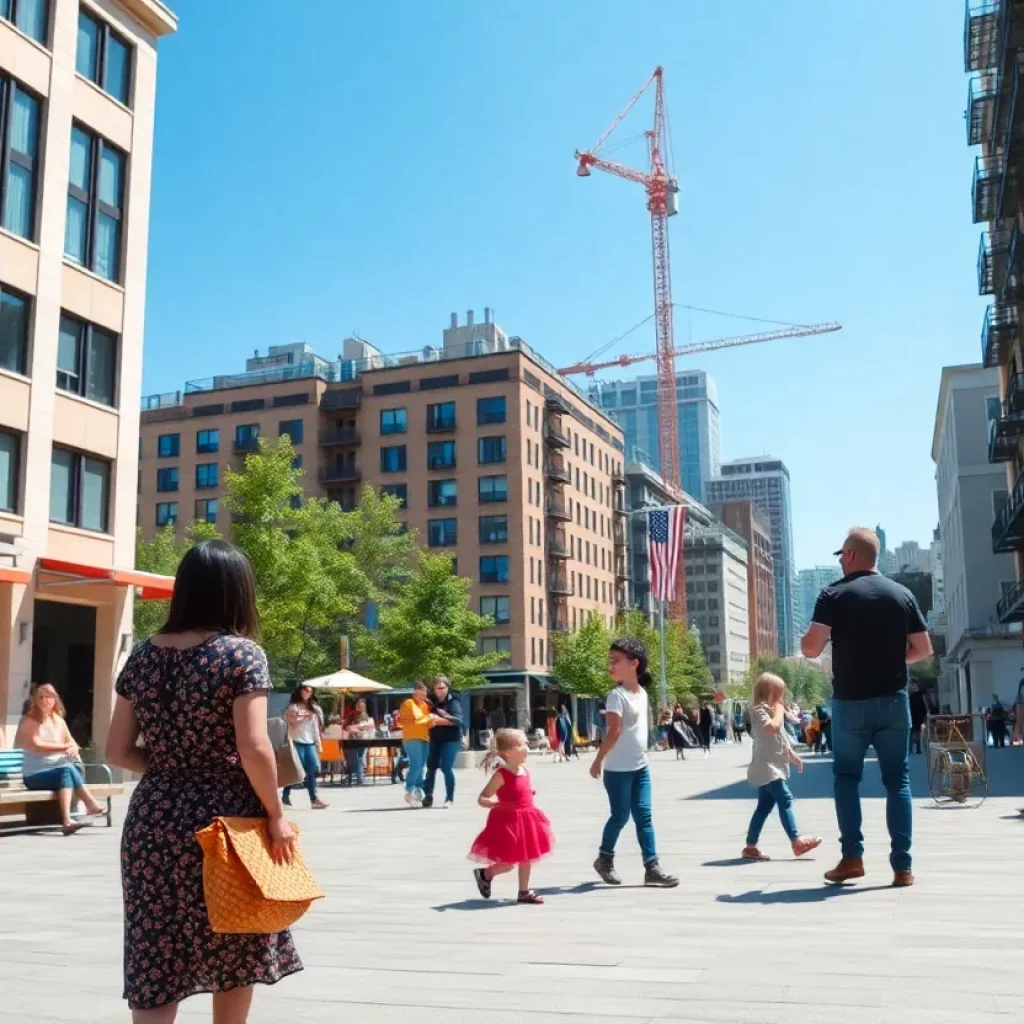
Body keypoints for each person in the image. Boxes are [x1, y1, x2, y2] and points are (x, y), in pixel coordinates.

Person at [106, 539, 301, 1022]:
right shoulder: (240, 655)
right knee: (235, 941)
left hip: (152, 820)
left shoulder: (143, 657)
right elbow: (254, 746)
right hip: (224, 821)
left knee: (156, 949)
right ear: (238, 592)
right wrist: (277, 815)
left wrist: (176, 769)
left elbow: (116, 751)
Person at [801, 527, 931, 888]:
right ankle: (902, 867)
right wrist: (891, 660)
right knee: (898, 782)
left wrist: (807, 641)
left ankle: (852, 857)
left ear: (853, 555)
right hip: (894, 701)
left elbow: (811, 648)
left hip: (851, 704)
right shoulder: (901, 594)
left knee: (846, 779)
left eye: (841, 555)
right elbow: (923, 649)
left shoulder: (834, 594)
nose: (840, 561)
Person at [591, 638, 678, 888]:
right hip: (618, 770)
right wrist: (598, 760)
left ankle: (652, 867)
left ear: (634, 664)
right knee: (620, 816)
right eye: (610, 661)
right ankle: (604, 859)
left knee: (644, 816)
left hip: (641, 767)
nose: (611, 666)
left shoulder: (641, 693)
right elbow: (614, 731)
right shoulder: (615, 696)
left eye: (615, 661)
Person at [742, 673, 823, 862]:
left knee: (764, 806)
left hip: (773, 764)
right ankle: (796, 841)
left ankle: (750, 846)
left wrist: (792, 755)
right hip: (766, 766)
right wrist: (779, 711)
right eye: (778, 693)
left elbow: (781, 737)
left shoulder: (771, 711)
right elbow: (771, 728)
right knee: (785, 798)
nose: (780, 698)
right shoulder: (758, 710)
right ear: (767, 692)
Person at [470, 728, 553, 904]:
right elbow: (482, 798)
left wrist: (529, 791)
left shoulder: (524, 770)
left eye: (526, 743)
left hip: (528, 819)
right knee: (508, 863)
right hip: (509, 822)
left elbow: (521, 789)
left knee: (527, 856)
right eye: (522, 744)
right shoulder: (502, 774)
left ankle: (524, 891)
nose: (527, 747)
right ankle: (486, 873)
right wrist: (496, 804)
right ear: (508, 752)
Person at [14, 683, 107, 835]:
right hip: (34, 775)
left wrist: (73, 748)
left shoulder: (58, 721)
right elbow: (38, 745)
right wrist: (63, 748)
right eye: (42, 697)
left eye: (50, 697)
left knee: (67, 770)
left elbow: (72, 743)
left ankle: (67, 820)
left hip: (57, 770)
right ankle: (87, 804)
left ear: (55, 700)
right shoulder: (29, 721)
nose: (46, 701)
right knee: (67, 769)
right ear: (36, 700)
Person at [282, 685, 328, 809]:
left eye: (310, 691)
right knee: (298, 771)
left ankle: (314, 799)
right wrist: (301, 716)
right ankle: (285, 794)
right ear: (300, 691)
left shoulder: (314, 708)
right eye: (306, 690)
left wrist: (319, 743)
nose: (308, 692)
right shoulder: (293, 707)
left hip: (310, 742)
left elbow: (315, 728)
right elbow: (290, 722)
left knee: (312, 769)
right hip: (296, 741)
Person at [422, 677, 464, 808]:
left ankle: (449, 798)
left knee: (446, 767)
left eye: (442, 688)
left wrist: (436, 721)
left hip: (451, 738)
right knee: (431, 767)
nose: (440, 690)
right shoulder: (430, 701)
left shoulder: (453, 701)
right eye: (437, 688)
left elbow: (457, 721)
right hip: (434, 738)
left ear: (447, 688)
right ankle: (428, 795)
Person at [398, 681, 434, 806]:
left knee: (421, 765)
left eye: (426, 692)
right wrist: (430, 718)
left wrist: (430, 720)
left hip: (424, 737)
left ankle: (418, 789)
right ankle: (409, 788)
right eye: (423, 691)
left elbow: (427, 722)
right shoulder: (409, 703)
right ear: (416, 692)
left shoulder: (424, 705)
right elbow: (418, 718)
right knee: (416, 763)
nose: (425, 694)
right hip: (412, 737)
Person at [344, 699, 376, 784]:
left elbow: (371, 726)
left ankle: (359, 777)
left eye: (361, 706)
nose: (359, 707)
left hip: (363, 740)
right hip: (351, 741)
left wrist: (357, 727)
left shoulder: (367, 717)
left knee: (360, 757)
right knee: (353, 758)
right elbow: (347, 728)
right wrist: (359, 728)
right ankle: (354, 775)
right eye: (358, 705)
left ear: (364, 707)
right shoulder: (350, 716)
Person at [908, 682, 928, 755]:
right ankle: (917, 749)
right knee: (917, 733)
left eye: (914, 688)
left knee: (913, 733)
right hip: (917, 716)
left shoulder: (911, 696)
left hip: (914, 716)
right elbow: (924, 706)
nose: (913, 689)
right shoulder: (920, 695)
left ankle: (912, 749)